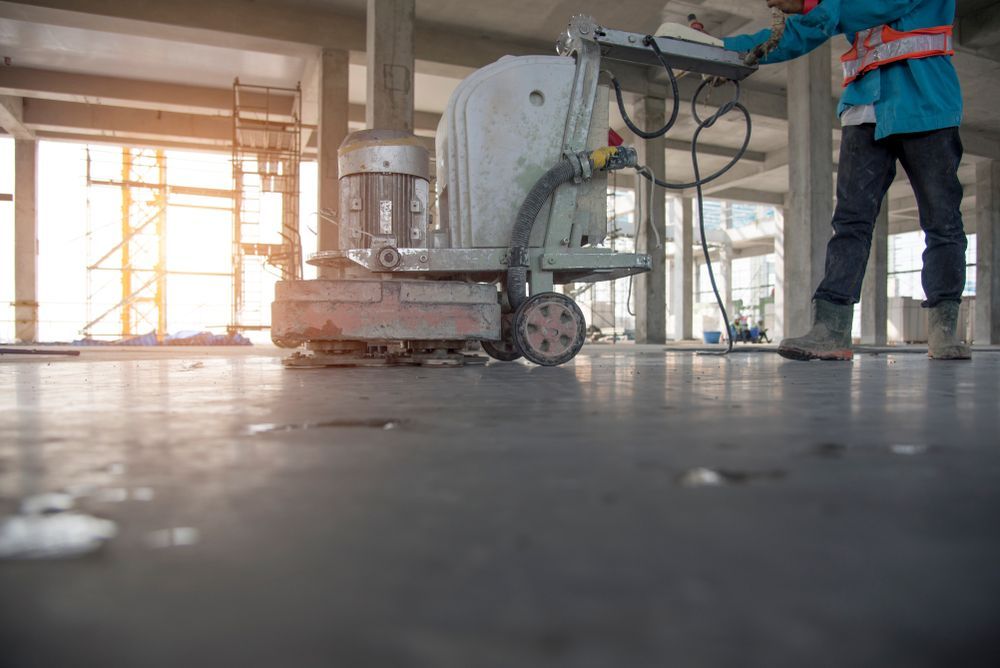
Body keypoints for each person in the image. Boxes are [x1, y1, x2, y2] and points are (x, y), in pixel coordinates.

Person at [724, 0, 971, 361]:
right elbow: (804, 31)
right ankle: (831, 328)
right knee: (850, 224)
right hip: (864, 107)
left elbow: (863, 8)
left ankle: (943, 330)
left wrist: (808, 4)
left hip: (926, 103)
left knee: (942, 221)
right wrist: (722, 52)